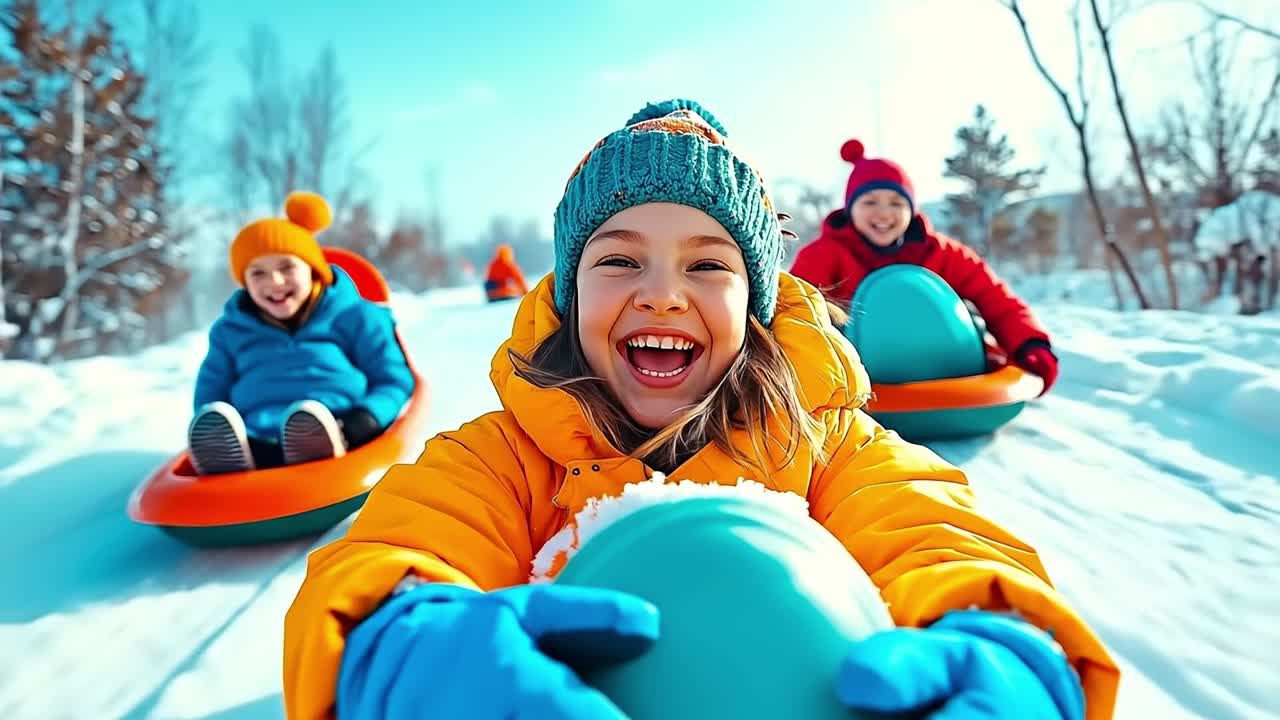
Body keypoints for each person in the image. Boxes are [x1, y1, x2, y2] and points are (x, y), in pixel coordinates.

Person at [283, 100, 1118, 720]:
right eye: (618, 260)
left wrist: (1007, 649)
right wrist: (403, 654)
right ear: (569, 297)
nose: (663, 293)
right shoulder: (503, 456)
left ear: (755, 302)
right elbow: (396, 547)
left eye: (708, 265)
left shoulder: (826, 446)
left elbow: (931, 529)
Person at [791, 140, 1059, 393]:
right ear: (850, 209)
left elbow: (995, 297)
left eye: (896, 203)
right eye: (870, 202)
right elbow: (793, 312)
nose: (884, 213)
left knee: (954, 306)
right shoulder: (824, 255)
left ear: (912, 210)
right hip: (859, 376)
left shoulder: (941, 253)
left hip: (948, 369)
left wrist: (1030, 343)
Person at [188, 192, 415, 474]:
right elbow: (211, 394)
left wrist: (366, 417)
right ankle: (234, 462)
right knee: (252, 443)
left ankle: (311, 452)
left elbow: (394, 379)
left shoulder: (357, 316)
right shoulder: (230, 331)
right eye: (258, 273)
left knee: (317, 427)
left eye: (287, 267)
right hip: (255, 438)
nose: (275, 282)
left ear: (313, 270)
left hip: (342, 427)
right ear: (244, 282)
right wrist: (213, 423)